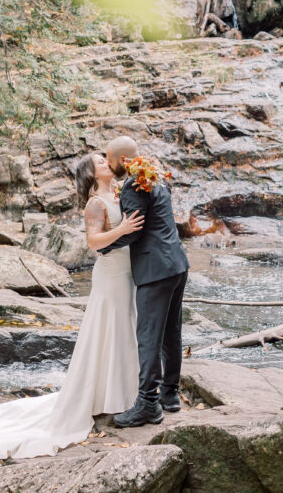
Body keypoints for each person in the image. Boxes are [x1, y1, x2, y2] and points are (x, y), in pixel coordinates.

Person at [0, 152, 144, 459]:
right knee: (109, 328)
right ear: (92, 175)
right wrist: (123, 230)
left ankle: (122, 393)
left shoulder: (119, 193)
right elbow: (94, 242)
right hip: (110, 274)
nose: (106, 162)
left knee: (124, 329)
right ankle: (102, 399)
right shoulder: (95, 203)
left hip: (127, 273)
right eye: (99, 162)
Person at [97, 136, 190, 428]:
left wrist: (104, 246)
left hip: (155, 269)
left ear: (121, 160)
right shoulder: (155, 176)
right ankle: (170, 395)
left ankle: (148, 404)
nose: (109, 165)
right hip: (176, 263)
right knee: (170, 333)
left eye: (109, 159)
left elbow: (134, 230)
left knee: (149, 337)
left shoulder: (134, 185)